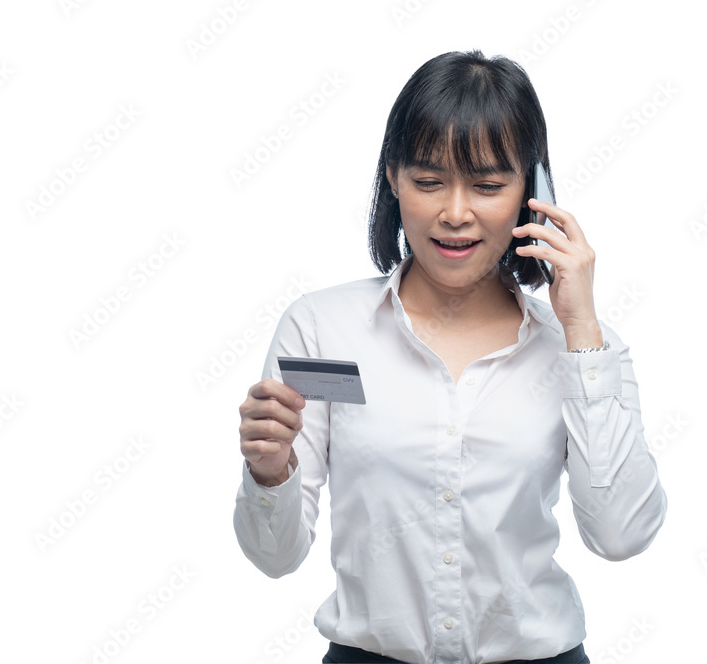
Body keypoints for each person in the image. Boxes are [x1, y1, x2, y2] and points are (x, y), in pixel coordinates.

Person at [233, 49, 667, 664]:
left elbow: (622, 536)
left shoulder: (583, 347)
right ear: (392, 178)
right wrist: (269, 473)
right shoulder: (321, 329)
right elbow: (273, 558)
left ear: (530, 190)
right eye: (429, 181)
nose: (456, 213)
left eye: (489, 185)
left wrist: (580, 326)